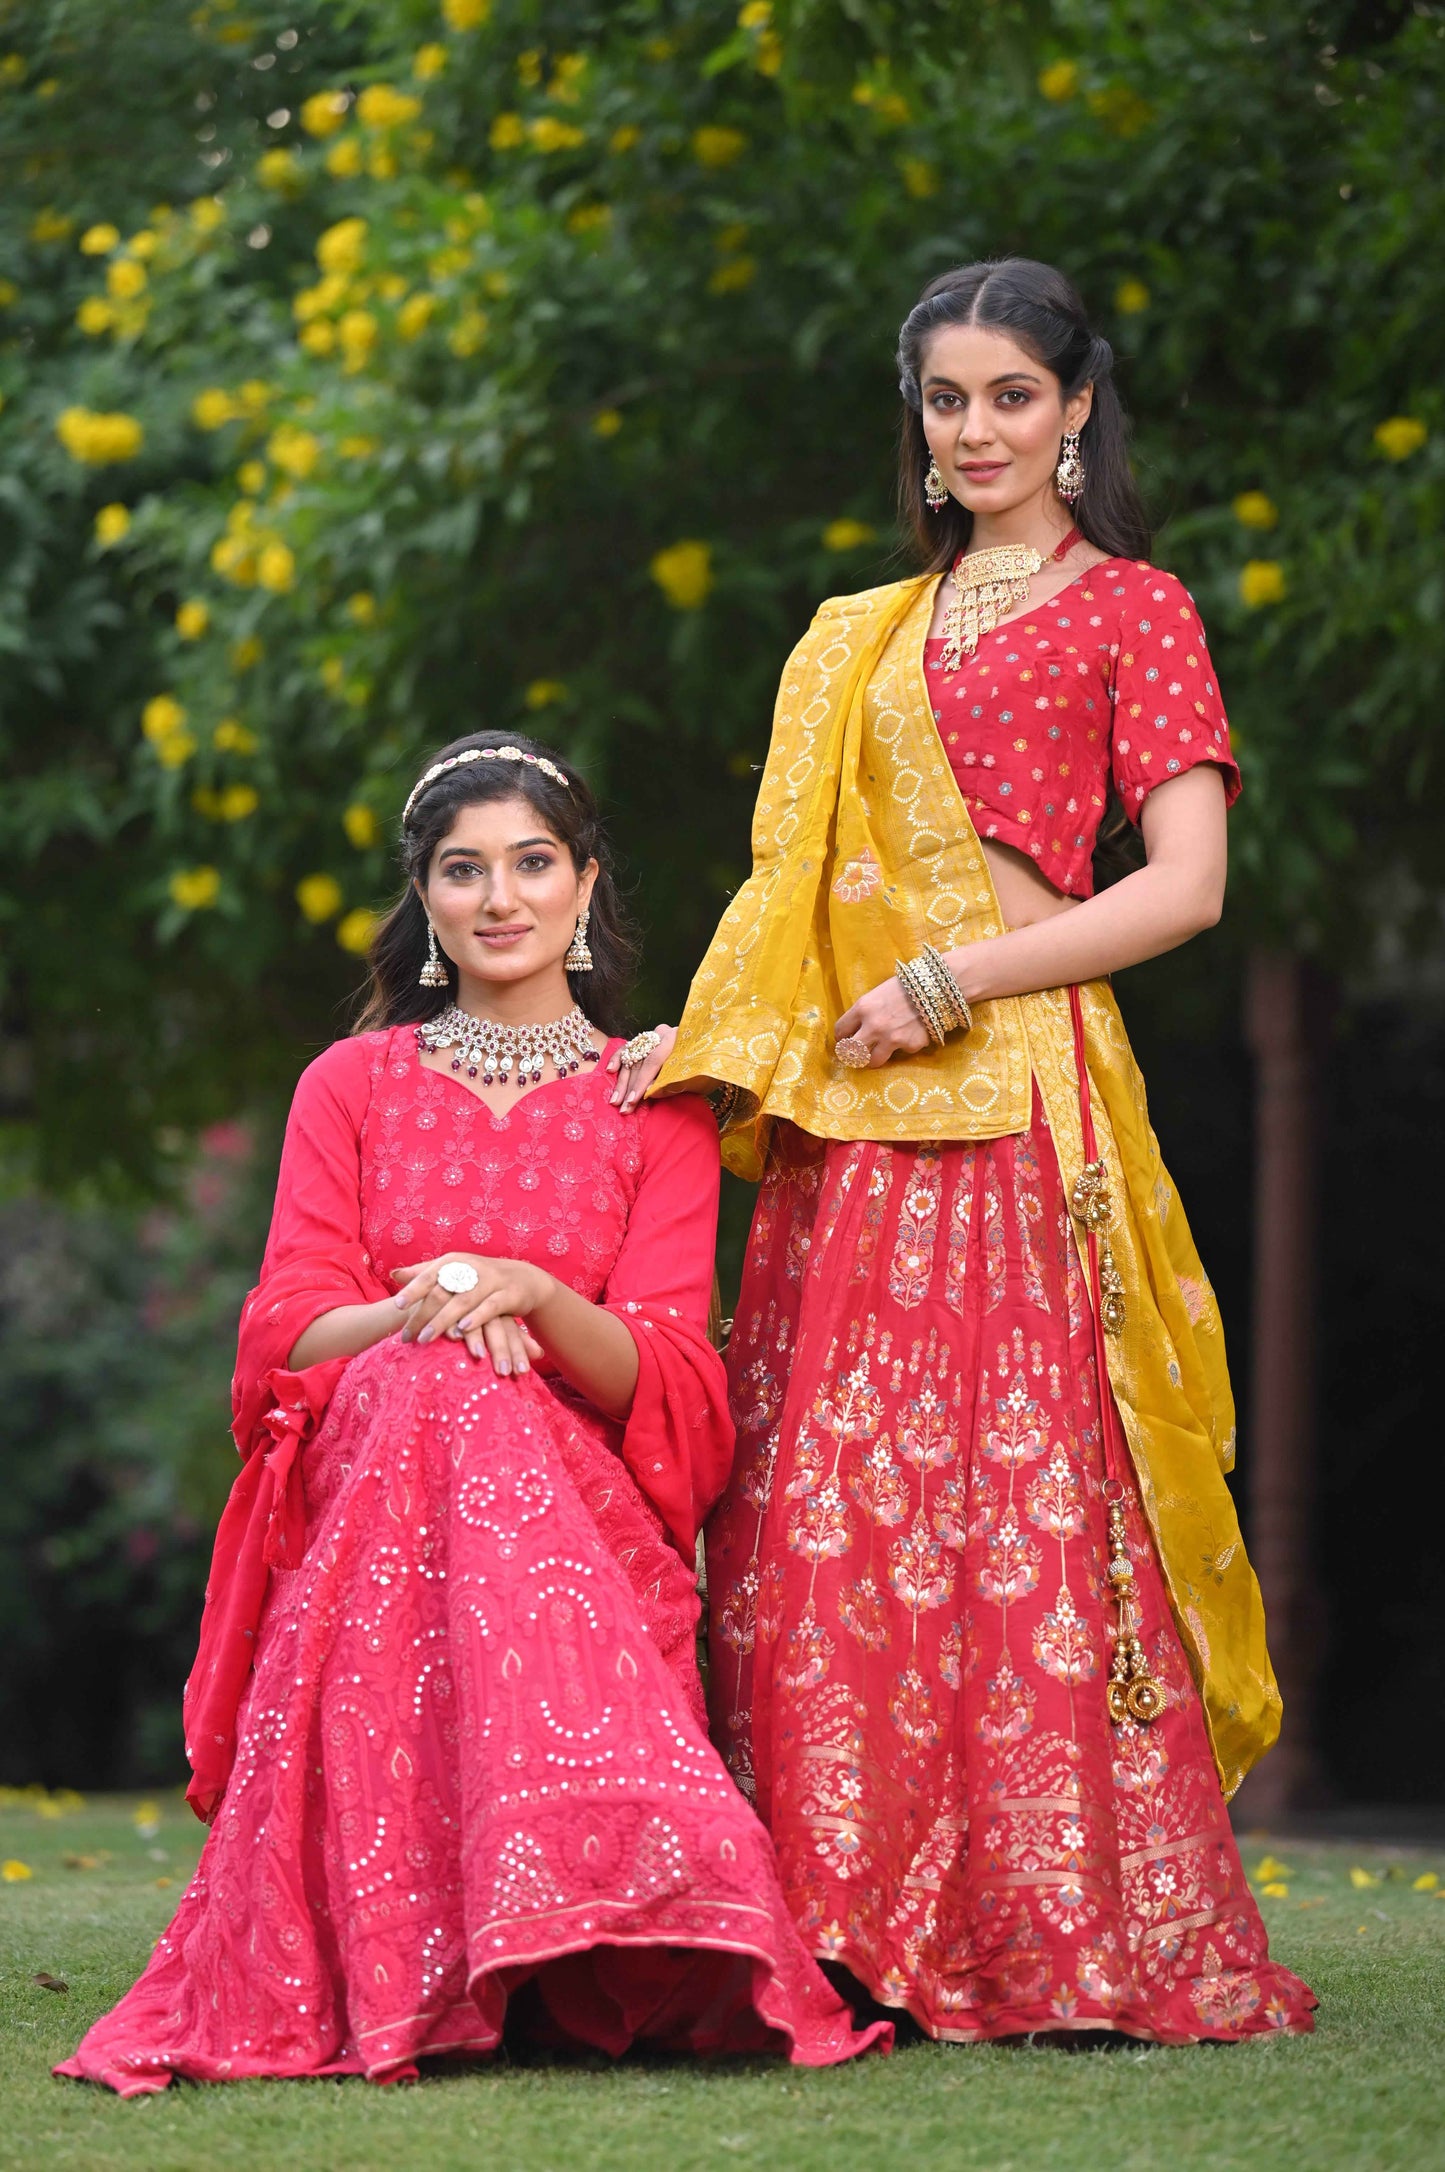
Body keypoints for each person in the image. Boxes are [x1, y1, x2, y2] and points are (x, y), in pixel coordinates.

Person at [626, 261, 1317, 2044]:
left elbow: (1184, 888)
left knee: (1026, 1498)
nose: (978, 430)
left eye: (1013, 394)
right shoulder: (857, 633)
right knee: (831, 1502)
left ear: (1076, 405)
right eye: (947, 399)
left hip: (1020, 1090)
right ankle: (828, 1923)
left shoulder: (1136, 609)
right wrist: (700, 1041)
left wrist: (954, 978)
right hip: (856, 1117)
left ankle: (1051, 1923)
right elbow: (792, 901)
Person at [58, 732, 888, 2094]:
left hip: (579, 1505)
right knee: (436, 1380)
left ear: (586, 884)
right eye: (464, 870)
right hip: (379, 1463)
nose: (501, 897)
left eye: (532, 863)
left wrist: (533, 1297)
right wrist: (437, 1302)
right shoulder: (351, 1084)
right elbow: (284, 1336)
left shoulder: (654, 1103)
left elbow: (673, 1381)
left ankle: (523, 1937)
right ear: (425, 899)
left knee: (465, 1388)